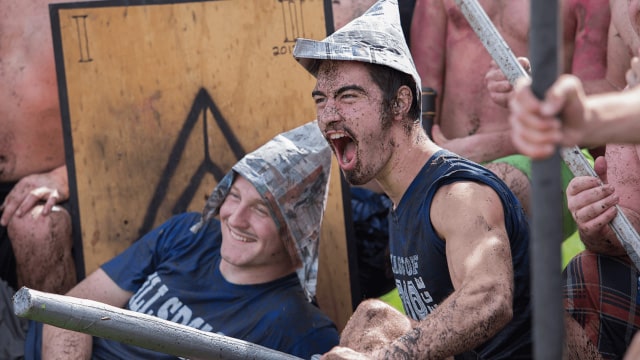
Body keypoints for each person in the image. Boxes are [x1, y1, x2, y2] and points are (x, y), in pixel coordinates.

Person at [293, 1, 533, 358]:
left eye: (348, 96)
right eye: (321, 99)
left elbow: (490, 299)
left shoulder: (458, 195)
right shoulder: (402, 193)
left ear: (400, 103)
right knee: (370, 319)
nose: (328, 115)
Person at [8, 121, 340, 359]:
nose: (235, 219)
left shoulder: (299, 329)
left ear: (298, 231)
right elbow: (72, 311)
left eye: (261, 210)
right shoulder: (191, 232)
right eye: (234, 196)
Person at [410, 0, 610, 219]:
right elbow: (422, 85)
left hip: (542, 154)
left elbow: (600, 101)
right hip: (445, 150)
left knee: (471, 202)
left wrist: (490, 145)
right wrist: (429, 153)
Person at [0, 2, 79, 357]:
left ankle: (50, 349)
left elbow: (142, 113)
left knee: (37, 227)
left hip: (53, 180)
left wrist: (63, 178)